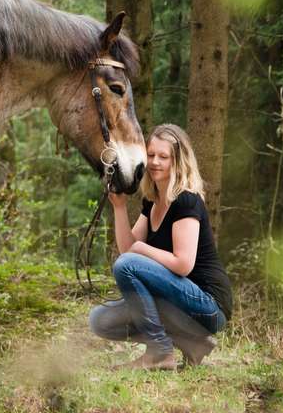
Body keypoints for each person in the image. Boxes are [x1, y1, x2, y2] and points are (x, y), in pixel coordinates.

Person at [88, 124, 233, 370]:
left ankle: (160, 352)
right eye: (151, 155)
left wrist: (142, 250)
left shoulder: (186, 200)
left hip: (207, 306)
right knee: (100, 320)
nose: (155, 162)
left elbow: (183, 264)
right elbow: (127, 249)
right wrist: (120, 207)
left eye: (163, 156)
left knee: (127, 265)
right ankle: (190, 342)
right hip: (177, 304)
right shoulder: (153, 201)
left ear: (179, 161)